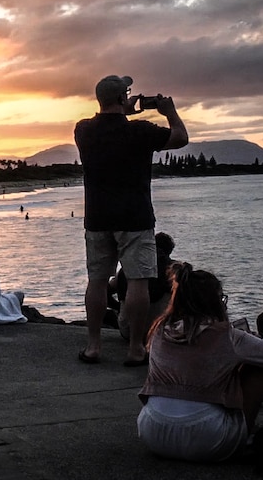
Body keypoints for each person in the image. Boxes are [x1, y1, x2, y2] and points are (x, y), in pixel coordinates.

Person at [74, 74, 188, 366]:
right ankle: (137, 349)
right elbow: (180, 138)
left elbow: (108, 122)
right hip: (135, 217)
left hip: (97, 217)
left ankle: (94, 346)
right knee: (138, 282)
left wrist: (121, 109)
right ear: (124, 98)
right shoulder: (140, 132)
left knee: (97, 281)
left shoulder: (83, 130)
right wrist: (170, 111)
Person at [137, 263, 263, 462]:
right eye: (222, 298)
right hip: (206, 438)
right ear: (214, 302)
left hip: (151, 432)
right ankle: (243, 433)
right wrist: (254, 342)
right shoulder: (229, 337)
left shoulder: (160, 330)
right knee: (258, 368)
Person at [110, 232, 177, 341]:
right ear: (169, 252)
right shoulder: (174, 271)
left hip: (128, 331)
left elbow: (107, 292)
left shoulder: (128, 269)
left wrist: (118, 307)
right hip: (160, 331)